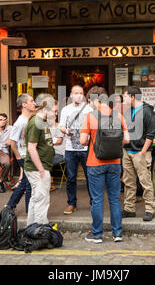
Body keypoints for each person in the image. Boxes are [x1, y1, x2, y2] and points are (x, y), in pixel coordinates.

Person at [80, 86, 129, 244]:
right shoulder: (119, 116)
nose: (90, 104)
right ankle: (117, 233)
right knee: (115, 198)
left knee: (97, 199)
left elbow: (82, 141)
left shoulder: (89, 117)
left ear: (95, 100)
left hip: (95, 162)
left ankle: (97, 235)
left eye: (90, 101)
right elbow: (127, 140)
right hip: (115, 162)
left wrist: (93, 140)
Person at [121, 86, 155, 222]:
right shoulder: (128, 111)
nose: (123, 99)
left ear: (132, 97)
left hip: (141, 153)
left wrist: (143, 152)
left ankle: (150, 209)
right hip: (128, 152)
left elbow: (150, 134)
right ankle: (129, 208)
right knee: (128, 182)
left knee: (145, 182)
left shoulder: (148, 112)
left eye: (124, 96)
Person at [59, 85, 93, 215]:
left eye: (81, 93)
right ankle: (71, 203)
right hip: (70, 148)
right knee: (71, 177)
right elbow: (61, 126)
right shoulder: (65, 110)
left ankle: (93, 202)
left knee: (89, 176)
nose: (78, 95)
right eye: (76, 93)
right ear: (71, 95)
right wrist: (65, 130)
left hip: (86, 147)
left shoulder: (89, 109)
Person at [24, 93, 55, 226]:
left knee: (36, 199)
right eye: (54, 111)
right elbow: (31, 148)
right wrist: (41, 169)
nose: (55, 114)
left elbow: (42, 142)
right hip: (38, 169)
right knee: (42, 200)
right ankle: (40, 228)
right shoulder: (36, 123)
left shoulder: (42, 122)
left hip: (40, 168)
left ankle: (31, 228)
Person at [6, 93, 36, 212]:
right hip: (25, 157)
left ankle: (9, 206)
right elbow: (12, 142)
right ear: (24, 105)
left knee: (24, 183)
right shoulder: (20, 122)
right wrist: (19, 158)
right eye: (32, 101)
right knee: (29, 186)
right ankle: (30, 213)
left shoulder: (29, 119)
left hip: (29, 156)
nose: (34, 103)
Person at [50, 102, 66, 192]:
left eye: (56, 112)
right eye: (53, 112)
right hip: (51, 152)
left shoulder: (59, 126)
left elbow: (58, 141)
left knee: (47, 162)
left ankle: (51, 185)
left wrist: (48, 141)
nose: (55, 114)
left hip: (60, 154)